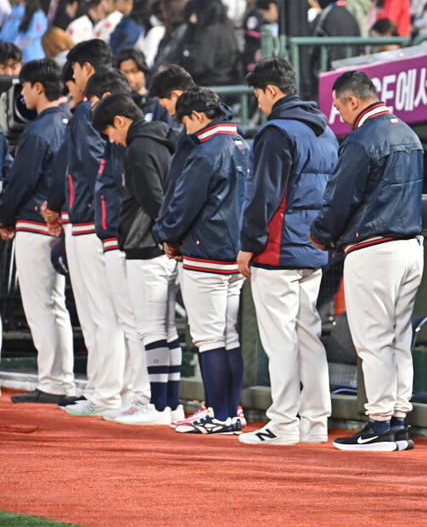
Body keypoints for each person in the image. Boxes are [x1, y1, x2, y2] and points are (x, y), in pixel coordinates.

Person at [310, 71, 424, 452]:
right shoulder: (409, 133)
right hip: (411, 247)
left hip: (375, 248)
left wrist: (322, 234)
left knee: (374, 340)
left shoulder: (362, 138)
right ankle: (397, 422)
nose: (339, 114)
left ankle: (378, 424)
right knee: (399, 339)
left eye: (340, 106)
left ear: (353, 101)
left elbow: (341, 198)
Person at [237, 59, 335, 446]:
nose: (258, 103)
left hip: (278, 249)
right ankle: (315, 423)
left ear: (272, 91)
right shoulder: (325, 130)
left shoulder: (276, 131)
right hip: (311, 247)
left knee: (281, 340)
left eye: (259, 94)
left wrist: (248, 244)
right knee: (308, 335)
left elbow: (263, 195)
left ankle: (282, 423)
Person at [155, 87, 250, 435]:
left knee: (210, 338)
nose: (185, 129)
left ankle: (220, 415)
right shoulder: (244, 144)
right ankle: (231, 412)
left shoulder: (207, 150)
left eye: (185, 121)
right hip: (237, 253)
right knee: (229, 336)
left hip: (206, 252)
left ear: (197, 116)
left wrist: (168, 236)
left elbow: (183, 204)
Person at [41, 39, 126, 417]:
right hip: (82, 220)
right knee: (93, 314)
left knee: (102, 313)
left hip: (93, 222)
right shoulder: (84, 113)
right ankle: (99, 387)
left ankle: (108, 391)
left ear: (87, 69)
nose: (70, 79)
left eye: (73, 71)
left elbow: (97, 167)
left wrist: (92, 214)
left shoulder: (95, 112)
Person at [91, 93, 183, 426]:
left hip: (147, 248)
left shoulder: (139, 148)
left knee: (151, 329)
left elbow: (151, 200)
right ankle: (171, 404)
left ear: (120, 121)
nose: (112, 140)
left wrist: (167, 234)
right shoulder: (162, 139)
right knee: (168, 330)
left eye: (109, 132)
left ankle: (158, 405)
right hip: (164, 249)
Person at [0, 59, 75, 404]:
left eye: (26, 87)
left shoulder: (39, 129)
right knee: (54, 304)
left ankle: (52, 381)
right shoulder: (70, 123)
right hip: (63, 222)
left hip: (34, 221)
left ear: (38, 88)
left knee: (40, 305)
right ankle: (61, 380)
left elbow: (20, 181)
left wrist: (4, 217)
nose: (23, 93)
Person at [82, 69, 152, 424]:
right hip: (122, 238)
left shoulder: (135, 143)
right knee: (131, 322)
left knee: (138, 322)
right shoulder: (124, 142)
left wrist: (117, 234)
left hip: (131, 240)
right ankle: (133, 394)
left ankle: (142, 396)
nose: (109, 136)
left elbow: (135, 195)